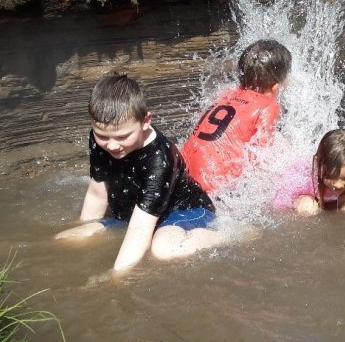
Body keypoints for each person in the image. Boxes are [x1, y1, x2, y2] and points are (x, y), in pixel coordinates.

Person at [54, 73, 223, 272]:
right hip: (132, 214)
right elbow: (97, 193)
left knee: (164, 250)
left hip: (184, 211)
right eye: (102, 136)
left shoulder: (160, 158)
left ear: (145, 121)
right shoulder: (102, 138)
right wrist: (85, 226)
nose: (112, 145)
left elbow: (140, 227)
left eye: (123, 137)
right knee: (67, 239)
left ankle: (228, 234)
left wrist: (117, 276)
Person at [182, 39, 292, 193]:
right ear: (276, 87)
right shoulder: (268, 105)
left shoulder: (226, 95)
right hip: (214, 188)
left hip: (184, 174)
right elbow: (262, 157)